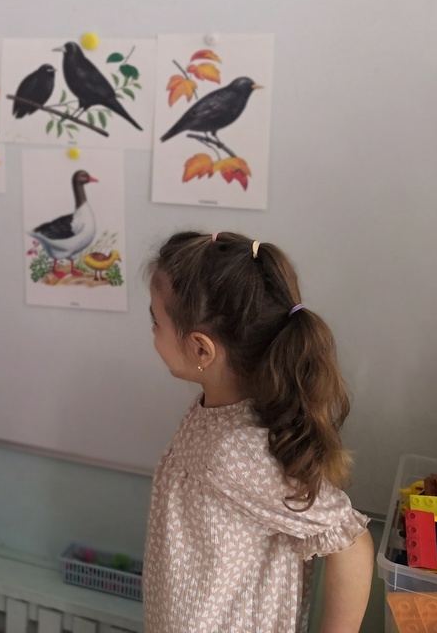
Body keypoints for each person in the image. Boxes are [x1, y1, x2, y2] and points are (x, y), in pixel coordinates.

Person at [143, 231, 373, 633]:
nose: (152, 332)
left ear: (201, 349)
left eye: (155, 322)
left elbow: (348, 540)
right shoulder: (214, 412)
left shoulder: (235, 449)